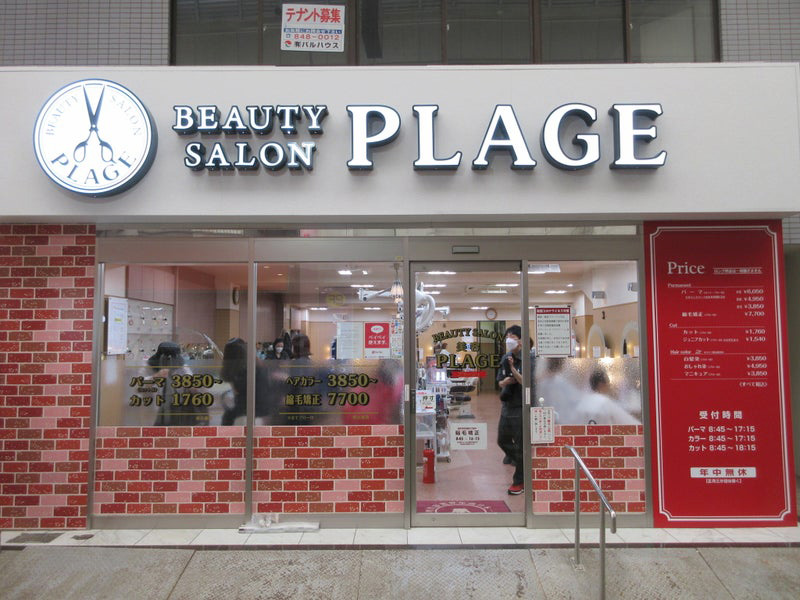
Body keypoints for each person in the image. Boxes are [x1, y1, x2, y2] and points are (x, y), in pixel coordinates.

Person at [150, 341, 208, 427]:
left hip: (176, 408)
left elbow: (193, 384)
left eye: (172, 358)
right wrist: (156, 376)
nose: (169, 361)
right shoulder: (150, 367)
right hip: (154, 410)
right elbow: (139, 386)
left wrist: (194, 386)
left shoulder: (182, 368)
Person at [497, 325, 524, 495]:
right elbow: (500, 382)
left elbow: (526, 382)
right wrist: (505, 382)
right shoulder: (505, 357)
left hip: (521, 406)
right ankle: (523, 462)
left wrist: (514, 369)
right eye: (508, 337)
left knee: (520, 445)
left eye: (513, 337)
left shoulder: (528, 358)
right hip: (507, 405)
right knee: (502, 440)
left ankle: (519, 481)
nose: (509, 340)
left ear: (520, 340)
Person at [574, 368, 641, 425]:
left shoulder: (582, 403)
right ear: (601, 384)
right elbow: (632, 424)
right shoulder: (605, 403)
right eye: (608, 383)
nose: (609, 386)